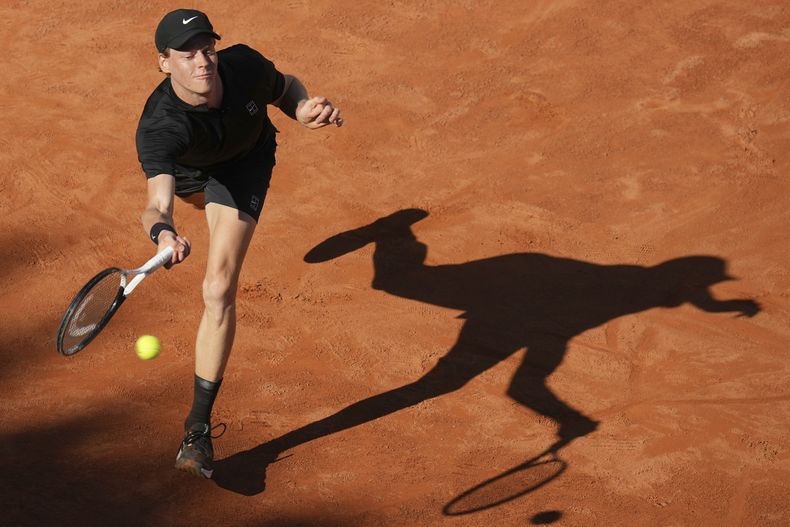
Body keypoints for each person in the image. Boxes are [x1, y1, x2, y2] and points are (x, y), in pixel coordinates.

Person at [135, 8, 343, 479]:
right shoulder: (160, 126)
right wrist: (162, 231)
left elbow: (286, 86)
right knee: (193, 204)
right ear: (163, 63)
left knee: (217, 289)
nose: (201, 61)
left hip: (244, 164)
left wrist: (302, 109)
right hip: (190, 176)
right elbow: (156, 204)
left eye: (206, 48)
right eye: (186, 55)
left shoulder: (244, 66)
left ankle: (197, 428)